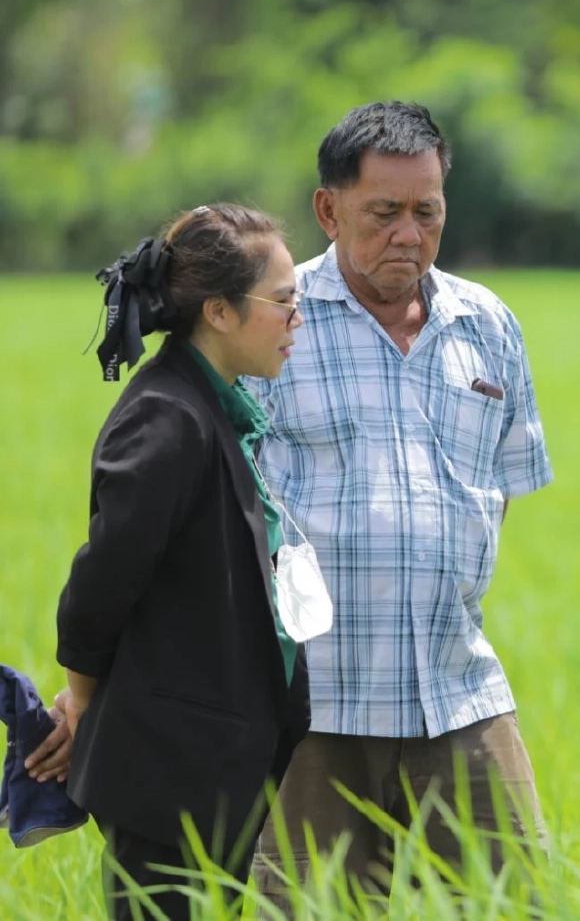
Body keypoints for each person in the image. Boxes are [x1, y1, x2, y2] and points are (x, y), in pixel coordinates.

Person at [248, 101, 552, 899]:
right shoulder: (274, 322)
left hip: (459, 691)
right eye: (384, 213)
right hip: (317, 702)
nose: (408, 235)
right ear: (329, 209)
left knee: (521, 902)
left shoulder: (486, 324)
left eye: (427, 212)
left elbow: (501, 487)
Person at [34, 203, 310, 920]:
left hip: (217, 767)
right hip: (170, 776)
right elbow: (101, 582)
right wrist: (85, 703)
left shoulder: (219, 408)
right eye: (282, 302)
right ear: (218, 312)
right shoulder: (168, 416)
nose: (297, 319)